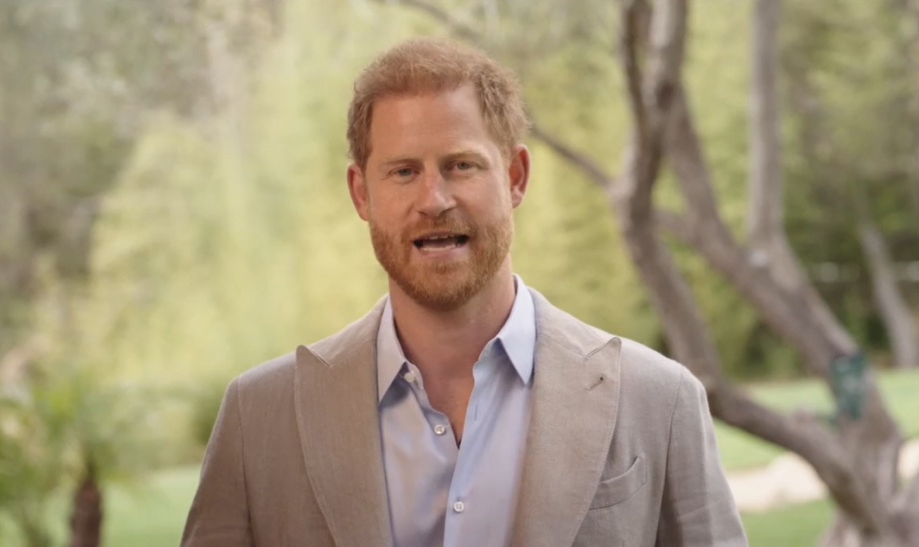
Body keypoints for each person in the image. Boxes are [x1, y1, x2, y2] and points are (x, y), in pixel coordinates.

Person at [180, 37, 747, 547]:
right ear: (361, 193)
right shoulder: (259, 420)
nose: (434, 199)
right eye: (403, 171)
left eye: (461, 165)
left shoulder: (658, 400)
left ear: (516, 177)